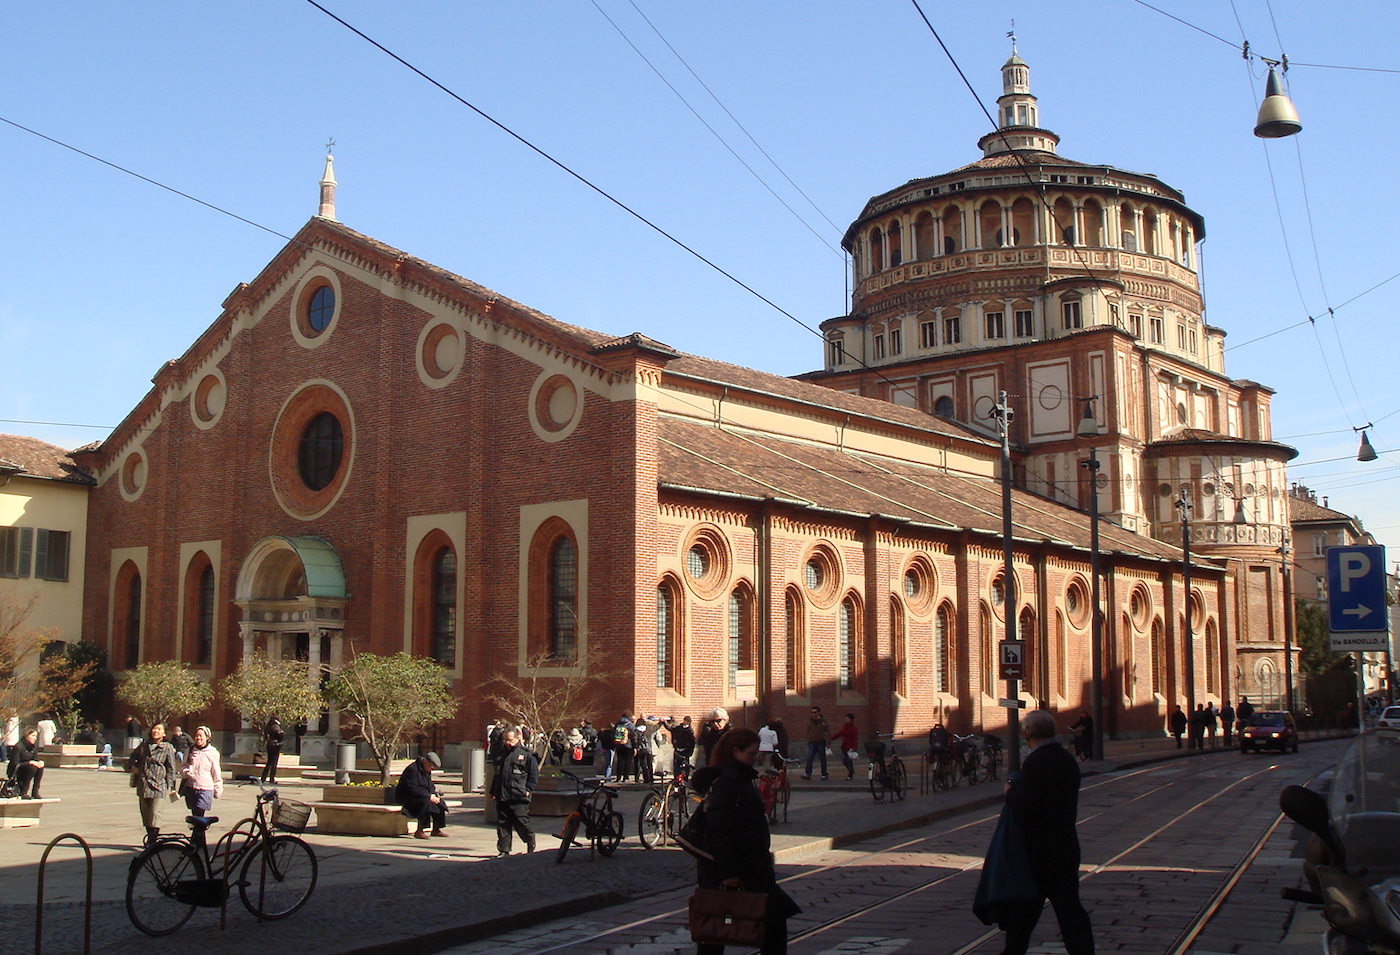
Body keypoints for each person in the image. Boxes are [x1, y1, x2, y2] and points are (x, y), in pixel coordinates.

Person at [691, 727, 800, 954]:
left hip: (748, 866)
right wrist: (729, 872)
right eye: (751, 753)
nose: (756, 758)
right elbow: (720, 830)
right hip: (736, 869)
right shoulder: (728, 782)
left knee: (717, 928)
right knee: (718, 928)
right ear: (736, 752)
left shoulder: (739, 778)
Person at [996, 708, 1094, 955]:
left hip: (1037, 852)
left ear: (1027, 732)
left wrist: (1010, 793)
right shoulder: (1066, 758)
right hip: (1065, 847)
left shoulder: (1036, 762)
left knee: (1023, 913)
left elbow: (1025, 806)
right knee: (1070, 911)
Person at [129, 722, 181, 845]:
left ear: (164, 733)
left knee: (155, 813)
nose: (155, 731)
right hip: (144, 784)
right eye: (154, 729)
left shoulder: (167, 747)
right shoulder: (144, 745)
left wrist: (172, 786)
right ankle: (150, 836)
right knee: (146, 814)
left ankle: (153, 840)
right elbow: (132, 757)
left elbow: (171, 768)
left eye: (159, 729)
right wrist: (133, 767)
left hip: (159, 785)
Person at [490, 727, 538, 856]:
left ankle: (529, 839)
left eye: (510, 740)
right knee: (503, 824)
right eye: (505, 740)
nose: (507, 743)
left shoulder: (527, 755)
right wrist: (493, 791)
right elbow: (497, 774)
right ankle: (504, 850)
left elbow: (533, 776)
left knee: (521, 822)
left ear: (518, 738)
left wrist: (528, 790)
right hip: (502, 794)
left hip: (519, 795)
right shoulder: (501, 753)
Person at [399, 750, 447, 838]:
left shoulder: (426, 770)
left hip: (421, 794)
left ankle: (436, 829)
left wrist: (433, 794)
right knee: (426, 803)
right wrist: (428, 796)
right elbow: (412, 788)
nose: (431, 769)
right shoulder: (413, 769)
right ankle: (420, 830)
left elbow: (430, 785)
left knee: (439, 803)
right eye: (431, 766)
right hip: (408, 796)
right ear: (425, 762)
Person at [181, 726, 223, 815]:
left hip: (206, 788)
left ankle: (199, 828)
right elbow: (183, 767)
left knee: (199, 813)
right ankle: (199, 828)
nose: (198, 738)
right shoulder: (190, 751)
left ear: (207, 737)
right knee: (195, 814)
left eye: (201, 736)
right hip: (191, 787)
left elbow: (216, 772)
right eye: (196, 736)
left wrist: (218, 787)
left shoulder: (213, 753)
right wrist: (186, 772)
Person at [8, 727, 45, 799]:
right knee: (32, 768)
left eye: (36, 736)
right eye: (33, 736)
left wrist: (40, 762)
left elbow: (36, 759)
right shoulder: (18, 747)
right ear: (26, 735)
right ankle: (23, 792)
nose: (35, 738)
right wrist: (29, 762)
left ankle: (35, 791)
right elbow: (14, 764)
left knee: (39, 767)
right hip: (17, 770)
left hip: (28, 768)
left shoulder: (33, 747)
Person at [604, 712, 636, 782]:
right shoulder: (630, 725)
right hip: (628, 745)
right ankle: (625, 777)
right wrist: (635, 746)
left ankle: (618, 777)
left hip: (618, 744)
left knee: (620, 761)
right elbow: (634, 736)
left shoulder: (617, 724)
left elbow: (613, 734)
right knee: (627, 761)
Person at [802, 706, 829, 780]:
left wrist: (828, 743)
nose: (813, 714)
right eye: (812, 712)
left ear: (818, 713)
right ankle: (808, 773)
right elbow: (808, 732)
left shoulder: (823, 722)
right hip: (812, 742)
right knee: (809, 758)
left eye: (815, 712)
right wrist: (808, 741)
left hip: (821, 742)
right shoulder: (810, 722)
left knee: (822, 759)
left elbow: (827, 732)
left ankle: (824, 774)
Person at [830, 713, 859, 781]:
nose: (845, 720)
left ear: (851, 720)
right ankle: (851, 770)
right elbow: (840, 733)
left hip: (850, 747)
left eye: (847, 719)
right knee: (844, 761)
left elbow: (855, 738)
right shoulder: (845, 727)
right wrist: (831, 738)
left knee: (849, 761)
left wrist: (854, 747)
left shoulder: (854, 728)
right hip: (844, 746)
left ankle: (850, 774)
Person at [261, 715, 285, 783]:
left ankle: (263, 778)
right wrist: (282, 733)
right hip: (275, 745)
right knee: (274, 763)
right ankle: (272, 778)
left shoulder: (268, 726)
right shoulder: (275, 726)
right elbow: (279, 734)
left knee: (269, 762)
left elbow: (265, 735)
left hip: (269, 744)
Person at [634, 716, 656, 785]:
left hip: (641, 750)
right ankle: (651, 778)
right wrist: (661, 722)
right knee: (650, 764)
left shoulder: (636, 731)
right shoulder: (648, 730)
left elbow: (635, 740)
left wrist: (635, 747)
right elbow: (656, 727)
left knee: (643, 764)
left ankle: (646, 779)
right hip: (648, 749)